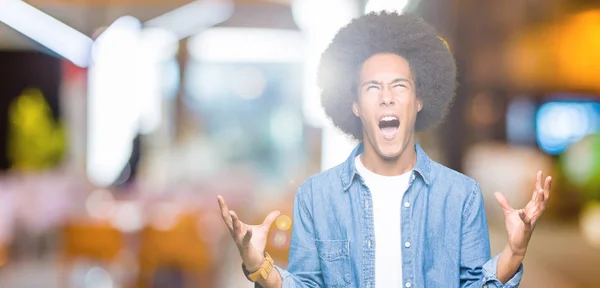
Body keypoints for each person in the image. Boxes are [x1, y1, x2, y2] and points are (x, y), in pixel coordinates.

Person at [217, 12, 551, 288]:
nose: (386, 97)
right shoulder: (316, 196)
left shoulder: (461, 195)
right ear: (356, 106)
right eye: (372, 87)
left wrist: (513, 254)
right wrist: (259, 267)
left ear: (419, 101)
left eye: (400, 85)